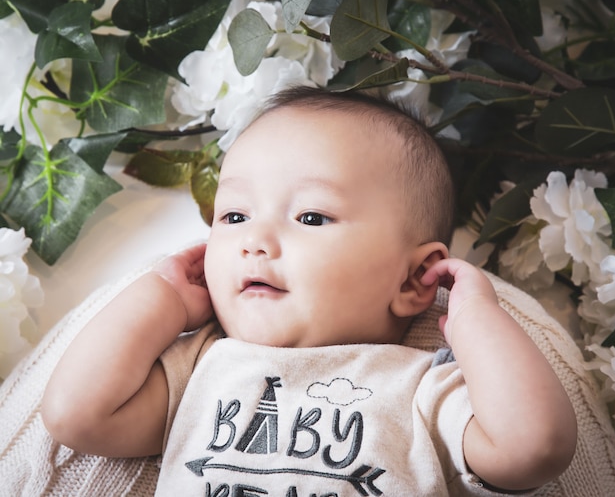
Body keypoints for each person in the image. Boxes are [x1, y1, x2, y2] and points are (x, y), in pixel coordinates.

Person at [42, 87, 577, 496]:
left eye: (311, 216)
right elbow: (74, 414)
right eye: (233, 215)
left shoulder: (420, 389)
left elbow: (535, 447)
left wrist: (477, 317)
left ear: (415, 280)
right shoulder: (201, 370)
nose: (254, 239)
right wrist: (161, 296)